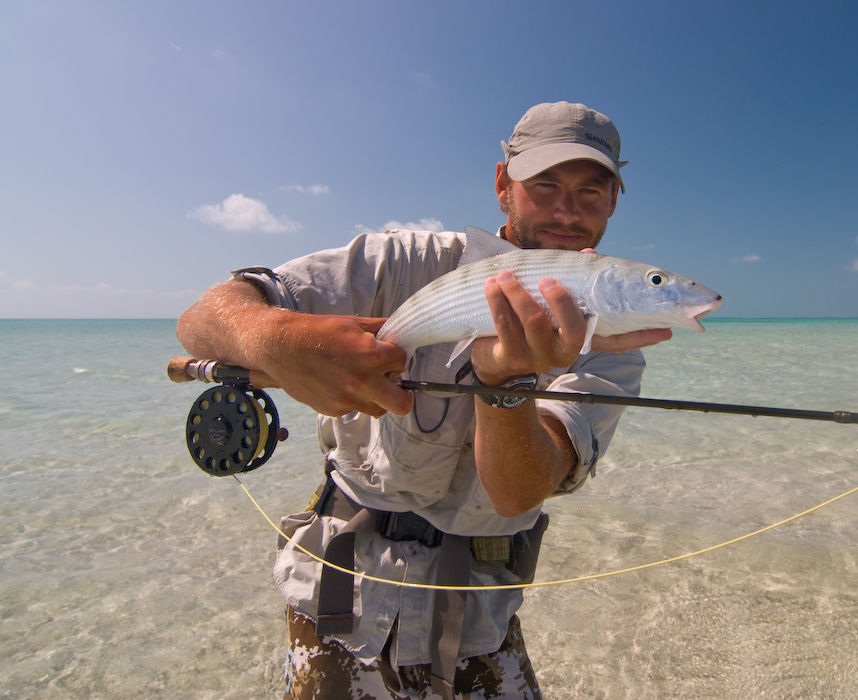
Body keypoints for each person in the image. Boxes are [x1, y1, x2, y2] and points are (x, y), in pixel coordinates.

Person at [177, 101, 671, 699]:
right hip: (334, 594)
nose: (567, 210)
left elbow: (518, 490)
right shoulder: (404, 261)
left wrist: (504, 386)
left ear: (614, 201)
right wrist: (282, 342)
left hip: (474, 622)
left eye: (591, 192)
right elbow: (205, 318)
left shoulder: (614, 342)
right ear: (502, 186)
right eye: (544, 186)